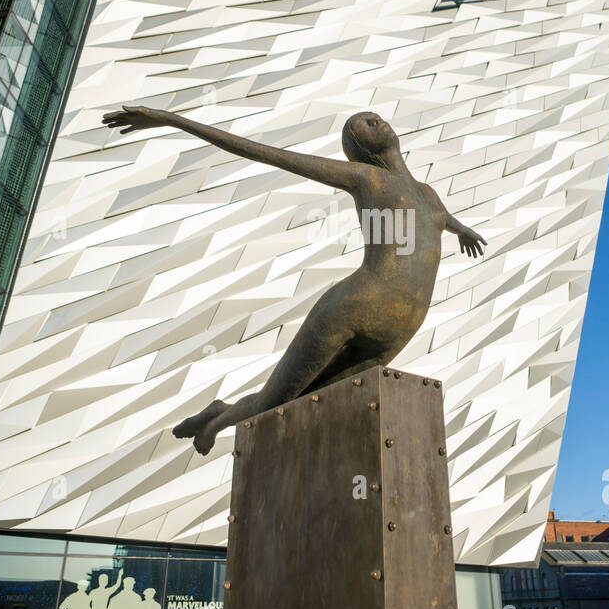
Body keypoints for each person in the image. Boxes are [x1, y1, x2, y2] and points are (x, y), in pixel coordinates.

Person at [102, 106, 485, 454]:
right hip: (357, 306)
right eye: (365, 125)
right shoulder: (366, 177)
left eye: (375, 117)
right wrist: (171, 120)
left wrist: (462, 230)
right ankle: (217, 419)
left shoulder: (429, 195)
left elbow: (439, 218)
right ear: (358, 148)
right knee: (276, 403)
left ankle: (225, 413)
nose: (377, 120)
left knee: (313, 403)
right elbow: (265, 153)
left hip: (401, 325)